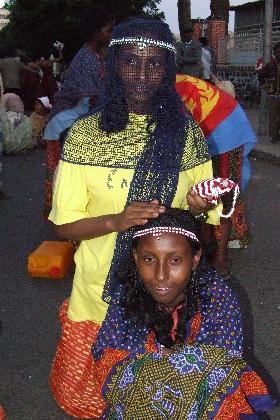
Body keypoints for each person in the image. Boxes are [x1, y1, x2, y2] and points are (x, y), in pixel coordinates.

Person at [48, 18, 221, 418]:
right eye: (130, 61)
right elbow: (64, 225)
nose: (142, 74)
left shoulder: (188, 135)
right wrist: (115, 221)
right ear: (112, 66)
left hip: (168, 293)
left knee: (163, 402)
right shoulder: (85, 136)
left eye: (155, 63)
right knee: (100, 402)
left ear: (169, 70)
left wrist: (196, 207)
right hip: (99, 293)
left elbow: (201, 216)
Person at [101, 209, 275, 419]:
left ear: (194, 258)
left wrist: (160, 360)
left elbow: (224, 363)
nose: (161, 275)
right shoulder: (126, 293)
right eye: (149, 259)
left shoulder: (217, 296)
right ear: (136, 257)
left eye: (175, 260)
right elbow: (106, 356)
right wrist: (171, 362)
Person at [176, 74, 256, 278]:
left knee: (224, 192)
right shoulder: (160, 81)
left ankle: (219, 258)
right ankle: (203, 249)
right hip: (209, 130)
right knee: (201, 192)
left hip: (227, 130)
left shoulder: (164, 87)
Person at [50, 7, 114, 117]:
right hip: (67, 123)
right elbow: (92, 101)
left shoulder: (98, 56)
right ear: (96, 32)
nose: (112, 35)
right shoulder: (87, 60)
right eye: (109, 30)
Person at [258, 42, 280, 143]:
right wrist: (265, 86)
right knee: (273, 117)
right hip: (273, 95)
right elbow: (261, 75)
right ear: (274, 54)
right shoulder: (270, 66)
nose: (279, 54)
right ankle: (274, 136)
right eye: (277, 52)